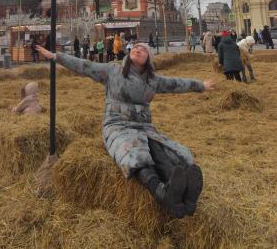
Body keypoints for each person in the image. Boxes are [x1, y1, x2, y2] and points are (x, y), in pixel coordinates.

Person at [36, 42, 215, 218]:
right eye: (136, 47)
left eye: (144, 50)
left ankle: (183, 192)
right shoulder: (113, 71)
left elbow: (176, 84)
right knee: (135, 151)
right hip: (117, 125)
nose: (138, 49)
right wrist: (56, 57)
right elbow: (85, 66)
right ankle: (161, 192)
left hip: (144, 126)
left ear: (148, 59)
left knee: (161, 149)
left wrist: (201, 85)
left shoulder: (152, 80)